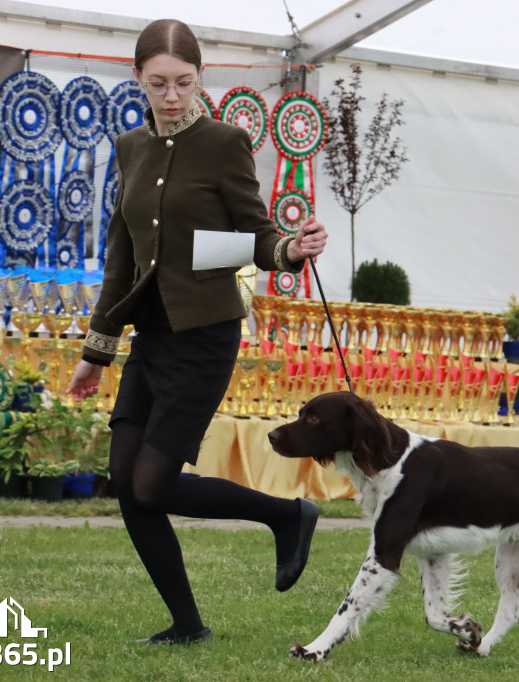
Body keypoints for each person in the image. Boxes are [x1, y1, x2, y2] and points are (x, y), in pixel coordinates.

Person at [67, 19, 328, 646]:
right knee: (127, 483)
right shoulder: (130, 148)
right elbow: (121, 258)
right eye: (158, 83)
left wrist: (289, 249)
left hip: (205, 335)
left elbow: (254, 234)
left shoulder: (224, 142)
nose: (172, 96)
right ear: (137, 78)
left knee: (152, 482)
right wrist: (95, 353)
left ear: (199, 78)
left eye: (184, 83)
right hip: (150, 338)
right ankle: (187, 625)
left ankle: (288, 515)